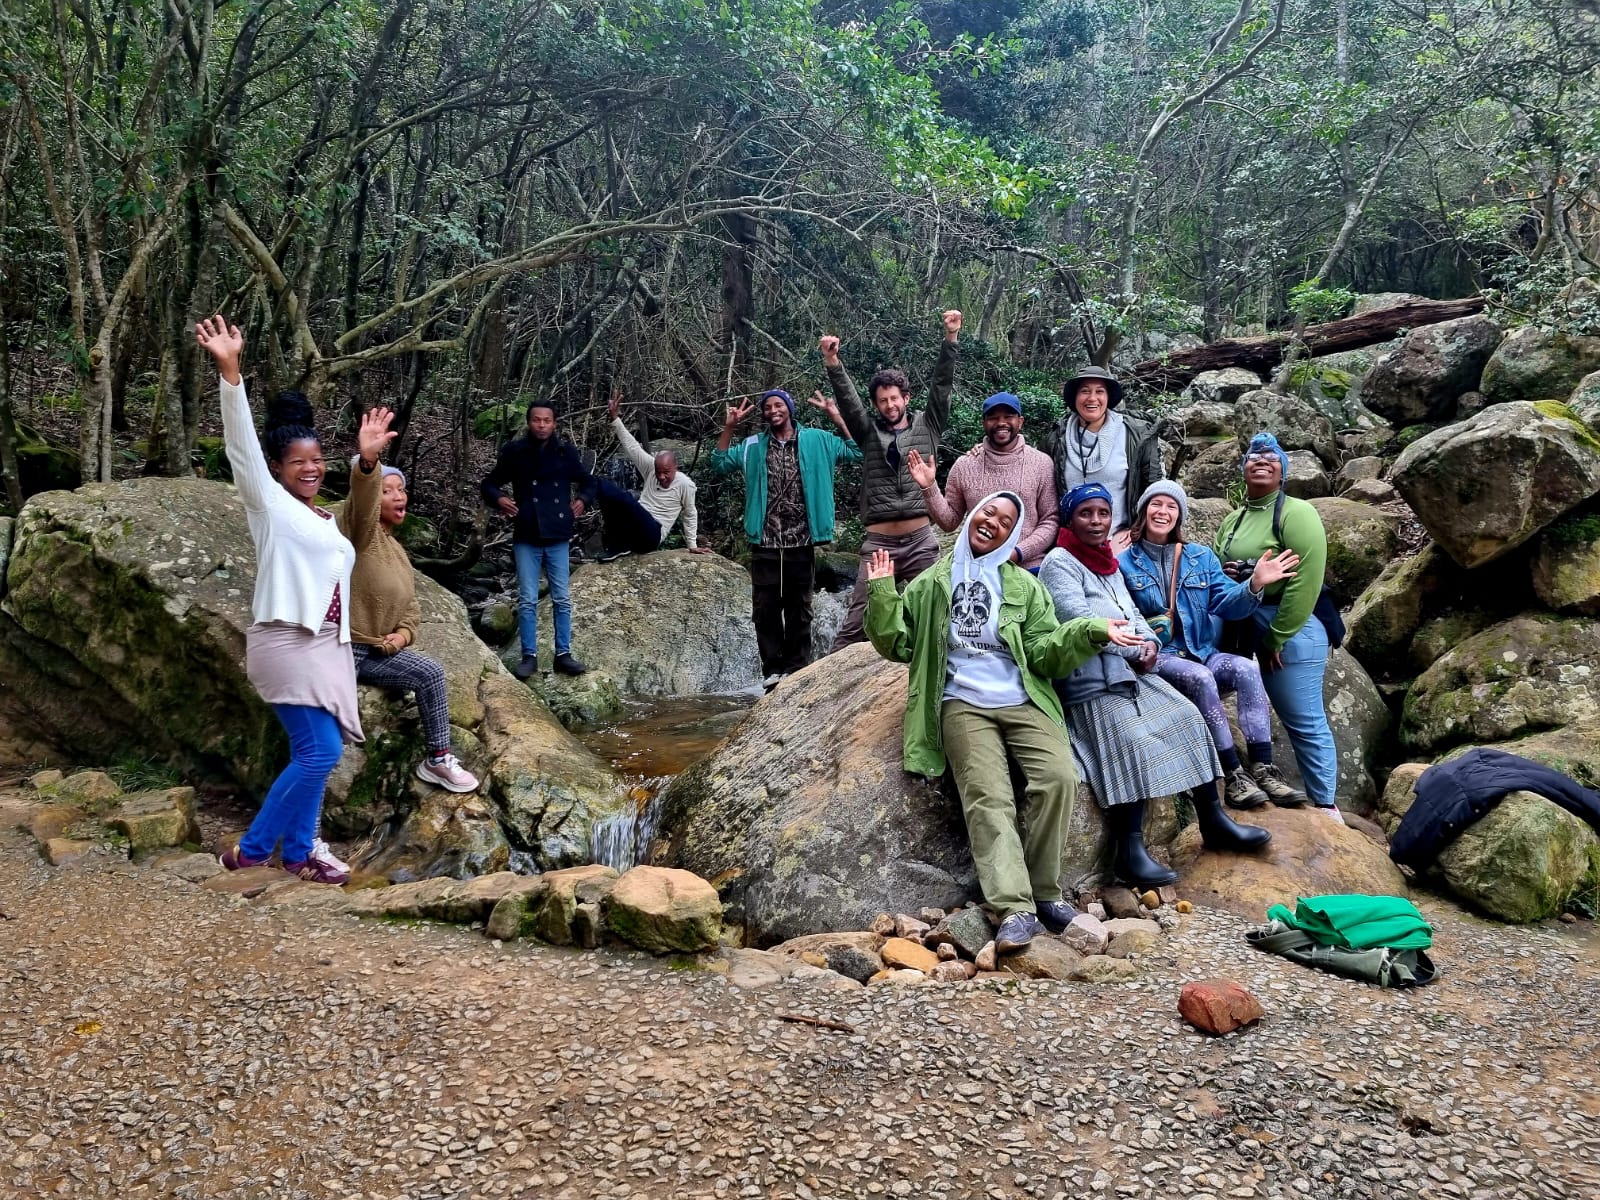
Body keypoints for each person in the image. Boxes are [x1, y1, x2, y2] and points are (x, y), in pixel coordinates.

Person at [863, 490, 1144, 953]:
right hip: (962, 702)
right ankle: (1014, 908)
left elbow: (1044, 652)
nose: (993, 521)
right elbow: (898, 644)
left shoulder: (1024, 586)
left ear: (1012, 533)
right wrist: (881, 594)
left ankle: (1046, 894)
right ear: (973, 515)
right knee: (988, 797)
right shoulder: (933, 581)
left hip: (1023, 699)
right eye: (988, 511)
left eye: (1006, 519)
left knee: (1058, 779)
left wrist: (1093, 629)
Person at [1040, 482, 1271, 889]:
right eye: (1085, 514)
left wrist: (1150, 641)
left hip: (1128, 671)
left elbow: (1131, 611)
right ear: (1070, 519)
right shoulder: (1061, 561)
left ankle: (1213, 820)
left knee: (1187, 716)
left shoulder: (1105, 562)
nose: (1096, 521)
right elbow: (1076, 619)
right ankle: (1129, 851)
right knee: (1132, 740)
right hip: (1090, 680)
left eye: (1103, 513)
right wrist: (1136, 649)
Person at [196, 315, 358, 886]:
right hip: (286, 641)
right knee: (320, 752)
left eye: (317, 461)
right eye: (298, 462)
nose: (311, 468)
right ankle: (254, 848)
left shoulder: (322, 516)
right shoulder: (267, 503)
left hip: (323, 646)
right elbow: (241, 443)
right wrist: (230, 372)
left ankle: (299, 854)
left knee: (318, 750)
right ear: (278, 469)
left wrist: (365, 461)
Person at [1118, 481, 1306, 810]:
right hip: (1160, 658)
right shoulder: (1124, 563)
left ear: (1179, 516)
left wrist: (1254, 583)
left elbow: (1228, 603)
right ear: (1143, 511)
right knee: (1201, 678)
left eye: (1171, 507)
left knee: (1246, 667)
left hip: (1203, 652)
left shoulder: (1199, 557)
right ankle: (1233, 773)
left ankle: (1263, 767)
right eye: (1156, 504)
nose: (1163, 512)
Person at [338, 414, 480, 794]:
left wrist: (401, 637)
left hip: (375, 653)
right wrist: (368, 464)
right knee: (323, 736)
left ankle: (437, 759)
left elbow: (412, 608)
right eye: (389, 490)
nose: (399, 496)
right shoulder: (358, 533)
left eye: (401, 489)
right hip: (342, 650)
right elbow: (360, 504)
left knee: (430, 673)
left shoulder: (396, 550)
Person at [1214, 432, 1343, 823]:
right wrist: (1235, 574)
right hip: (1242, 619)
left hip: (1290, 622)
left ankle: (1326, 806)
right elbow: (1218, 573)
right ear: (1244, 469)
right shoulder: (1233, 519)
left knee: (1302, 718)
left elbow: (1306, 580)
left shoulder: (1297, 512)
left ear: (1283, 471)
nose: (1262, 461)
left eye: (1272, 458)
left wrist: (1277, 637)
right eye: (1254, 456)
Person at [819, 310, 961, 648]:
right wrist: (833, 362)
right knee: (856, 623)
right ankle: (826, 691)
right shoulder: (866, 432)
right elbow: (849, 403)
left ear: (906, 398)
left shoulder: (928, 425)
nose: (889, 404)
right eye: (882, 401)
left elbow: (942, 386)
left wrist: (951, 338)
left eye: (894, 398)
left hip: (920, 541)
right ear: (877, 404)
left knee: (937, 614)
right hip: (879, 546)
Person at [711, 386, 861, 686]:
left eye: (778, 405)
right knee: (765, 609)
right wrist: (729, 427)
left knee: (799, 608)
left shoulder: (817, 440)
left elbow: (857, 451)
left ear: (789, 409)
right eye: (767, 407)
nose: (773, 411)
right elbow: (719, 463)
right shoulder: (753, 445)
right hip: (764, 540)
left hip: (802, 540)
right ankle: (772, 670)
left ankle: (797, 668)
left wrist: (836, 416)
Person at [480, 398, 598, 679]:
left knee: (562, 598)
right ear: (529, 422)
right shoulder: (515, 452)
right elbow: (488, 483)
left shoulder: (564, 452)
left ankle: (563, 654)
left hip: (558, 533)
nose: (542, 425)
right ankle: (529, 657)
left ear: (554, 423)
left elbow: (590, 481)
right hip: (527, 532)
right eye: (537, 420)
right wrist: (500, 499)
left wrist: (582, 500)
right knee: (528, 599)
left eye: (547, 420)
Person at [909, 392, 1058, 569]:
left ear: (1020, 421)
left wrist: (1017, 552)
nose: (1001, 422)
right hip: (977, 567)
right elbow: (949, 522)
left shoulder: (1041, 463)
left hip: (1029, 567)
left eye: (1008, 416)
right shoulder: (965, 465)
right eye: (993, 417)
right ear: (984, 423)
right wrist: (929, 487)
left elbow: (1050, 520)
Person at [1052, 366, 1164, 553]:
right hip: (1070, 545)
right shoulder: (1056, 438)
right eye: (1085, 391)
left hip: (1122, 541)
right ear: (1075, 398)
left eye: (1099, 392)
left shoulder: (1135, 435)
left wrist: (1136, 530)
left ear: (1108, 398)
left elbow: (1154, 489)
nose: (1092, 398)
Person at [605, 387, 704, 559]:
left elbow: (690, 512)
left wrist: (692, 545)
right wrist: (615, 418)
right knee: (606, 491)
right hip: (634, 531)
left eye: (666, 473)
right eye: (659, 472)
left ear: (676, 468)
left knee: (628, 498)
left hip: (653, 534)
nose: (661, 477)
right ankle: (615, 547)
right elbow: (632, 447)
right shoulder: (651, 467)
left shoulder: (685, 484)